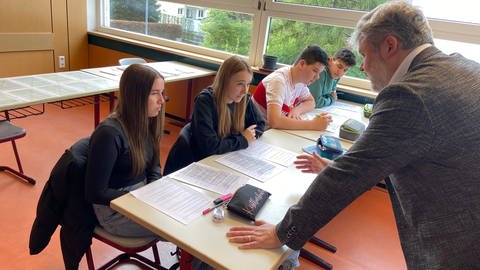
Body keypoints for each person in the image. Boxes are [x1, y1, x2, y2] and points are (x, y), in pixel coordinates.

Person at [226, 1, 480, 269]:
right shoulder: (465, 67)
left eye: (365, 55)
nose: (363, 67)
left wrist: (281, 233)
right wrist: (343, 165)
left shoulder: (410, 94)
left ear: (390, 46)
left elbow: (343, 180)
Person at [85, 64, 165, 237]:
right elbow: (96, 192)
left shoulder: (148, 121)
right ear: (135, 97)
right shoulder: (109, 134)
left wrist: (154, 188)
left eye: (162, 93)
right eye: (154, 93)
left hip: (140, 195)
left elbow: (154, 166)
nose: (162, 100)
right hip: (115, 211)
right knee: (179, 228)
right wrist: (138, 198)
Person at [190, 55, 265, 161]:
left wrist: (244, 138)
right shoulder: (205, 101)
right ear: (224, 81)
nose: (245, 91)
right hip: (204, 161)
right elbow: (210, 147)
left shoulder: (244, 99)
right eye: (240, 84)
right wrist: (243, 140)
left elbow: (259, 125)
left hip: (228, 157)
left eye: (248, 84)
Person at [252, 45, 332, 130]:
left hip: (273, 132)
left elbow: (311, 102)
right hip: (259, 132)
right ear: (302, 64)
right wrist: (313, 125)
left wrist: (297, 110)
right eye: (315, 71)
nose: (317, 77)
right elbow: (275, 121)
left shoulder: (300, 81)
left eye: (319, 73)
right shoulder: (278, 81)